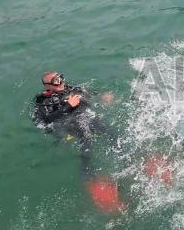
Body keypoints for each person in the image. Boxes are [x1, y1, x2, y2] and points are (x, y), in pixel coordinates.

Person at [33, 72, 123, 212]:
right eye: (56, 81)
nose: (61, 82)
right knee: (86, 140)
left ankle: (126, 159)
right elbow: (47, 119)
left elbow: (89, 93)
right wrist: (68, 106)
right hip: (71, 123)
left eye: (61, 78)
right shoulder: (44, 100)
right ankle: (89, 176)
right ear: (48, 86)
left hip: (88, 117)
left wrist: (103, 95)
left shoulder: (72, 89)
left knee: (112, 133)